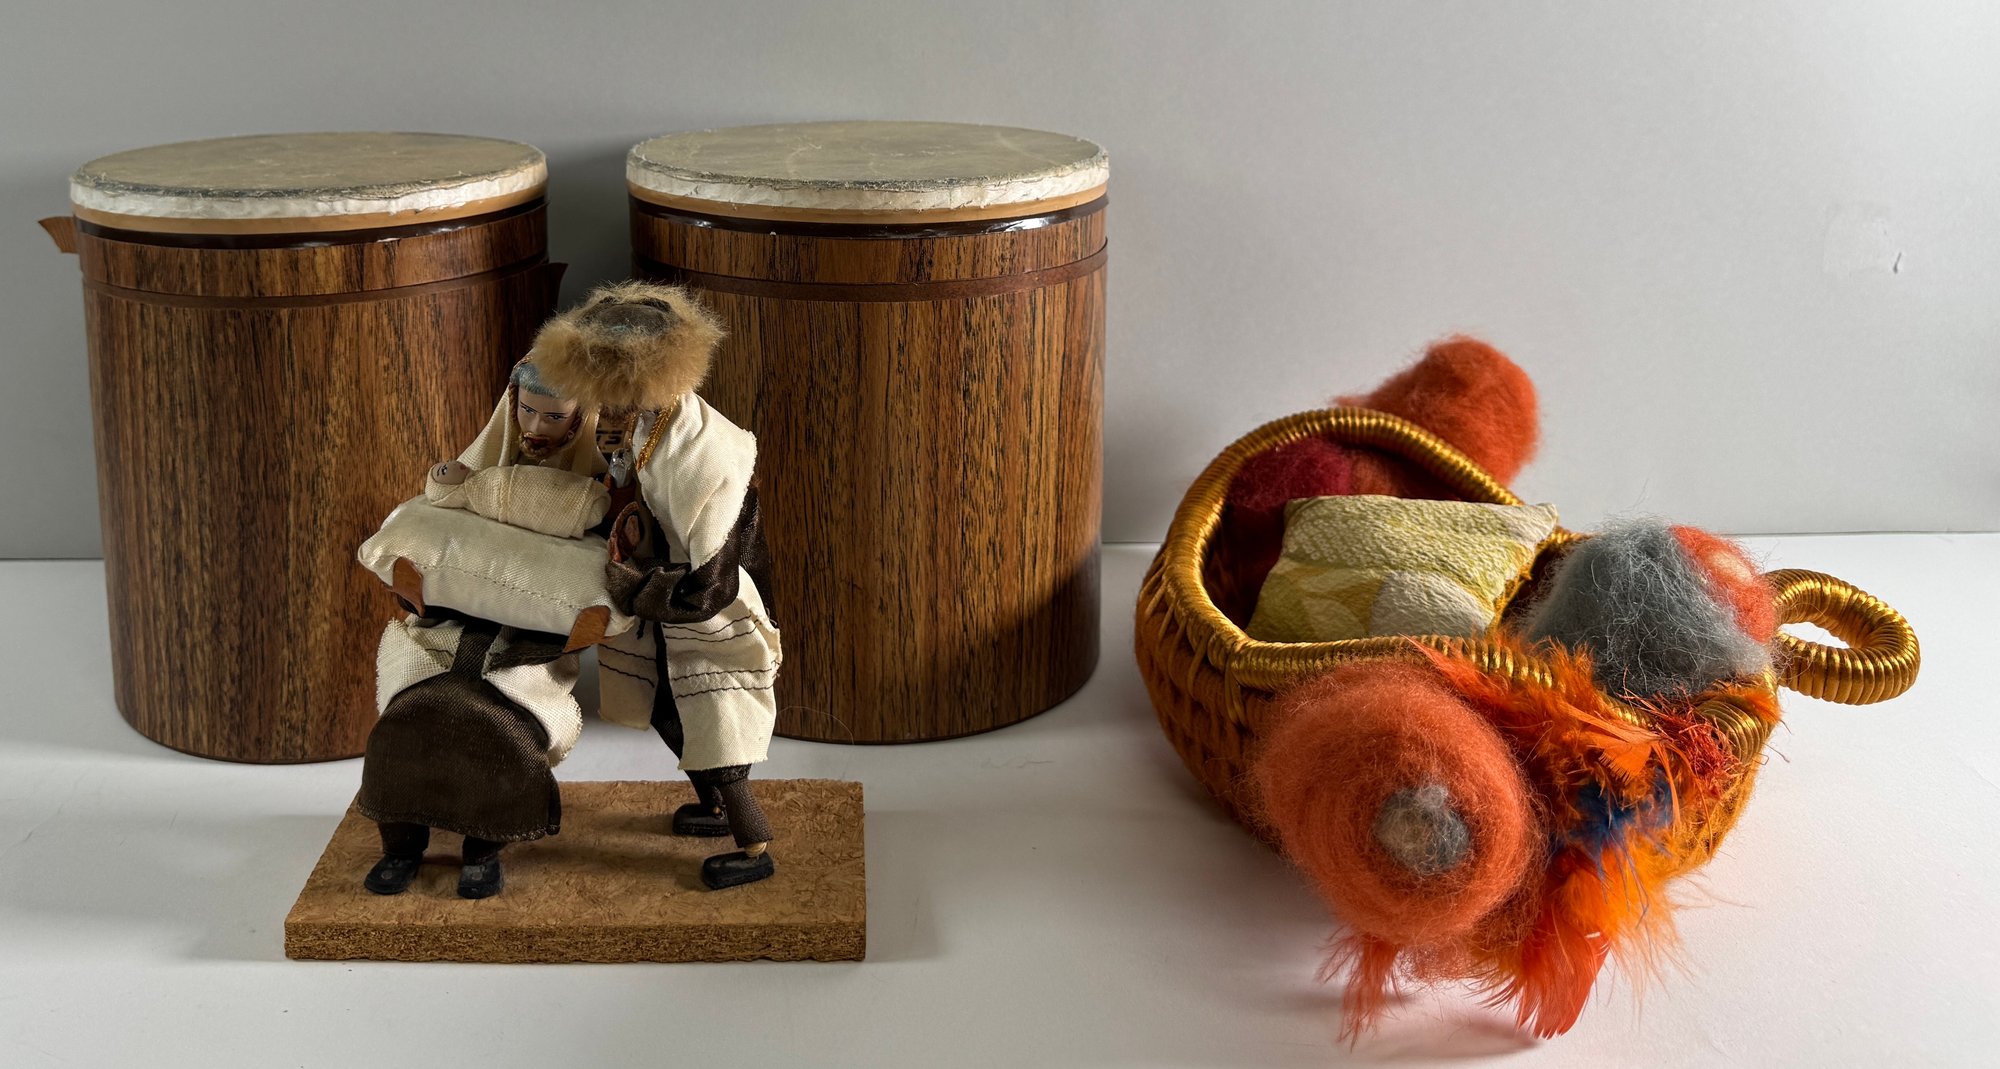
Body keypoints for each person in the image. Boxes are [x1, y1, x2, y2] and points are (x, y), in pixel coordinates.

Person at [536, 281, 785, 889]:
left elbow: (712, 580)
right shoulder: (650, 424)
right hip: (671, 598)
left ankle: (754, 846)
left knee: (717, 728)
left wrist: (634, 583)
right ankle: (716, 807)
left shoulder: (701, 452)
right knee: (667, 713)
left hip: (712, 611)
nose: (604, 409)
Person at [355, 361, 603, 899]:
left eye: (553, 417)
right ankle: (401, 846)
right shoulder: (475, 475)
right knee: (402, 726)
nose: (535, 429)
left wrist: (578, 627)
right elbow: (433, 526)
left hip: (522, 652)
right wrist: (415, 589)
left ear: (580, 418)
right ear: (511, 403)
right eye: (527, 411)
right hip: (444, 637)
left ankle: (482, 850)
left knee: (501, 734)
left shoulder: (591, 495)